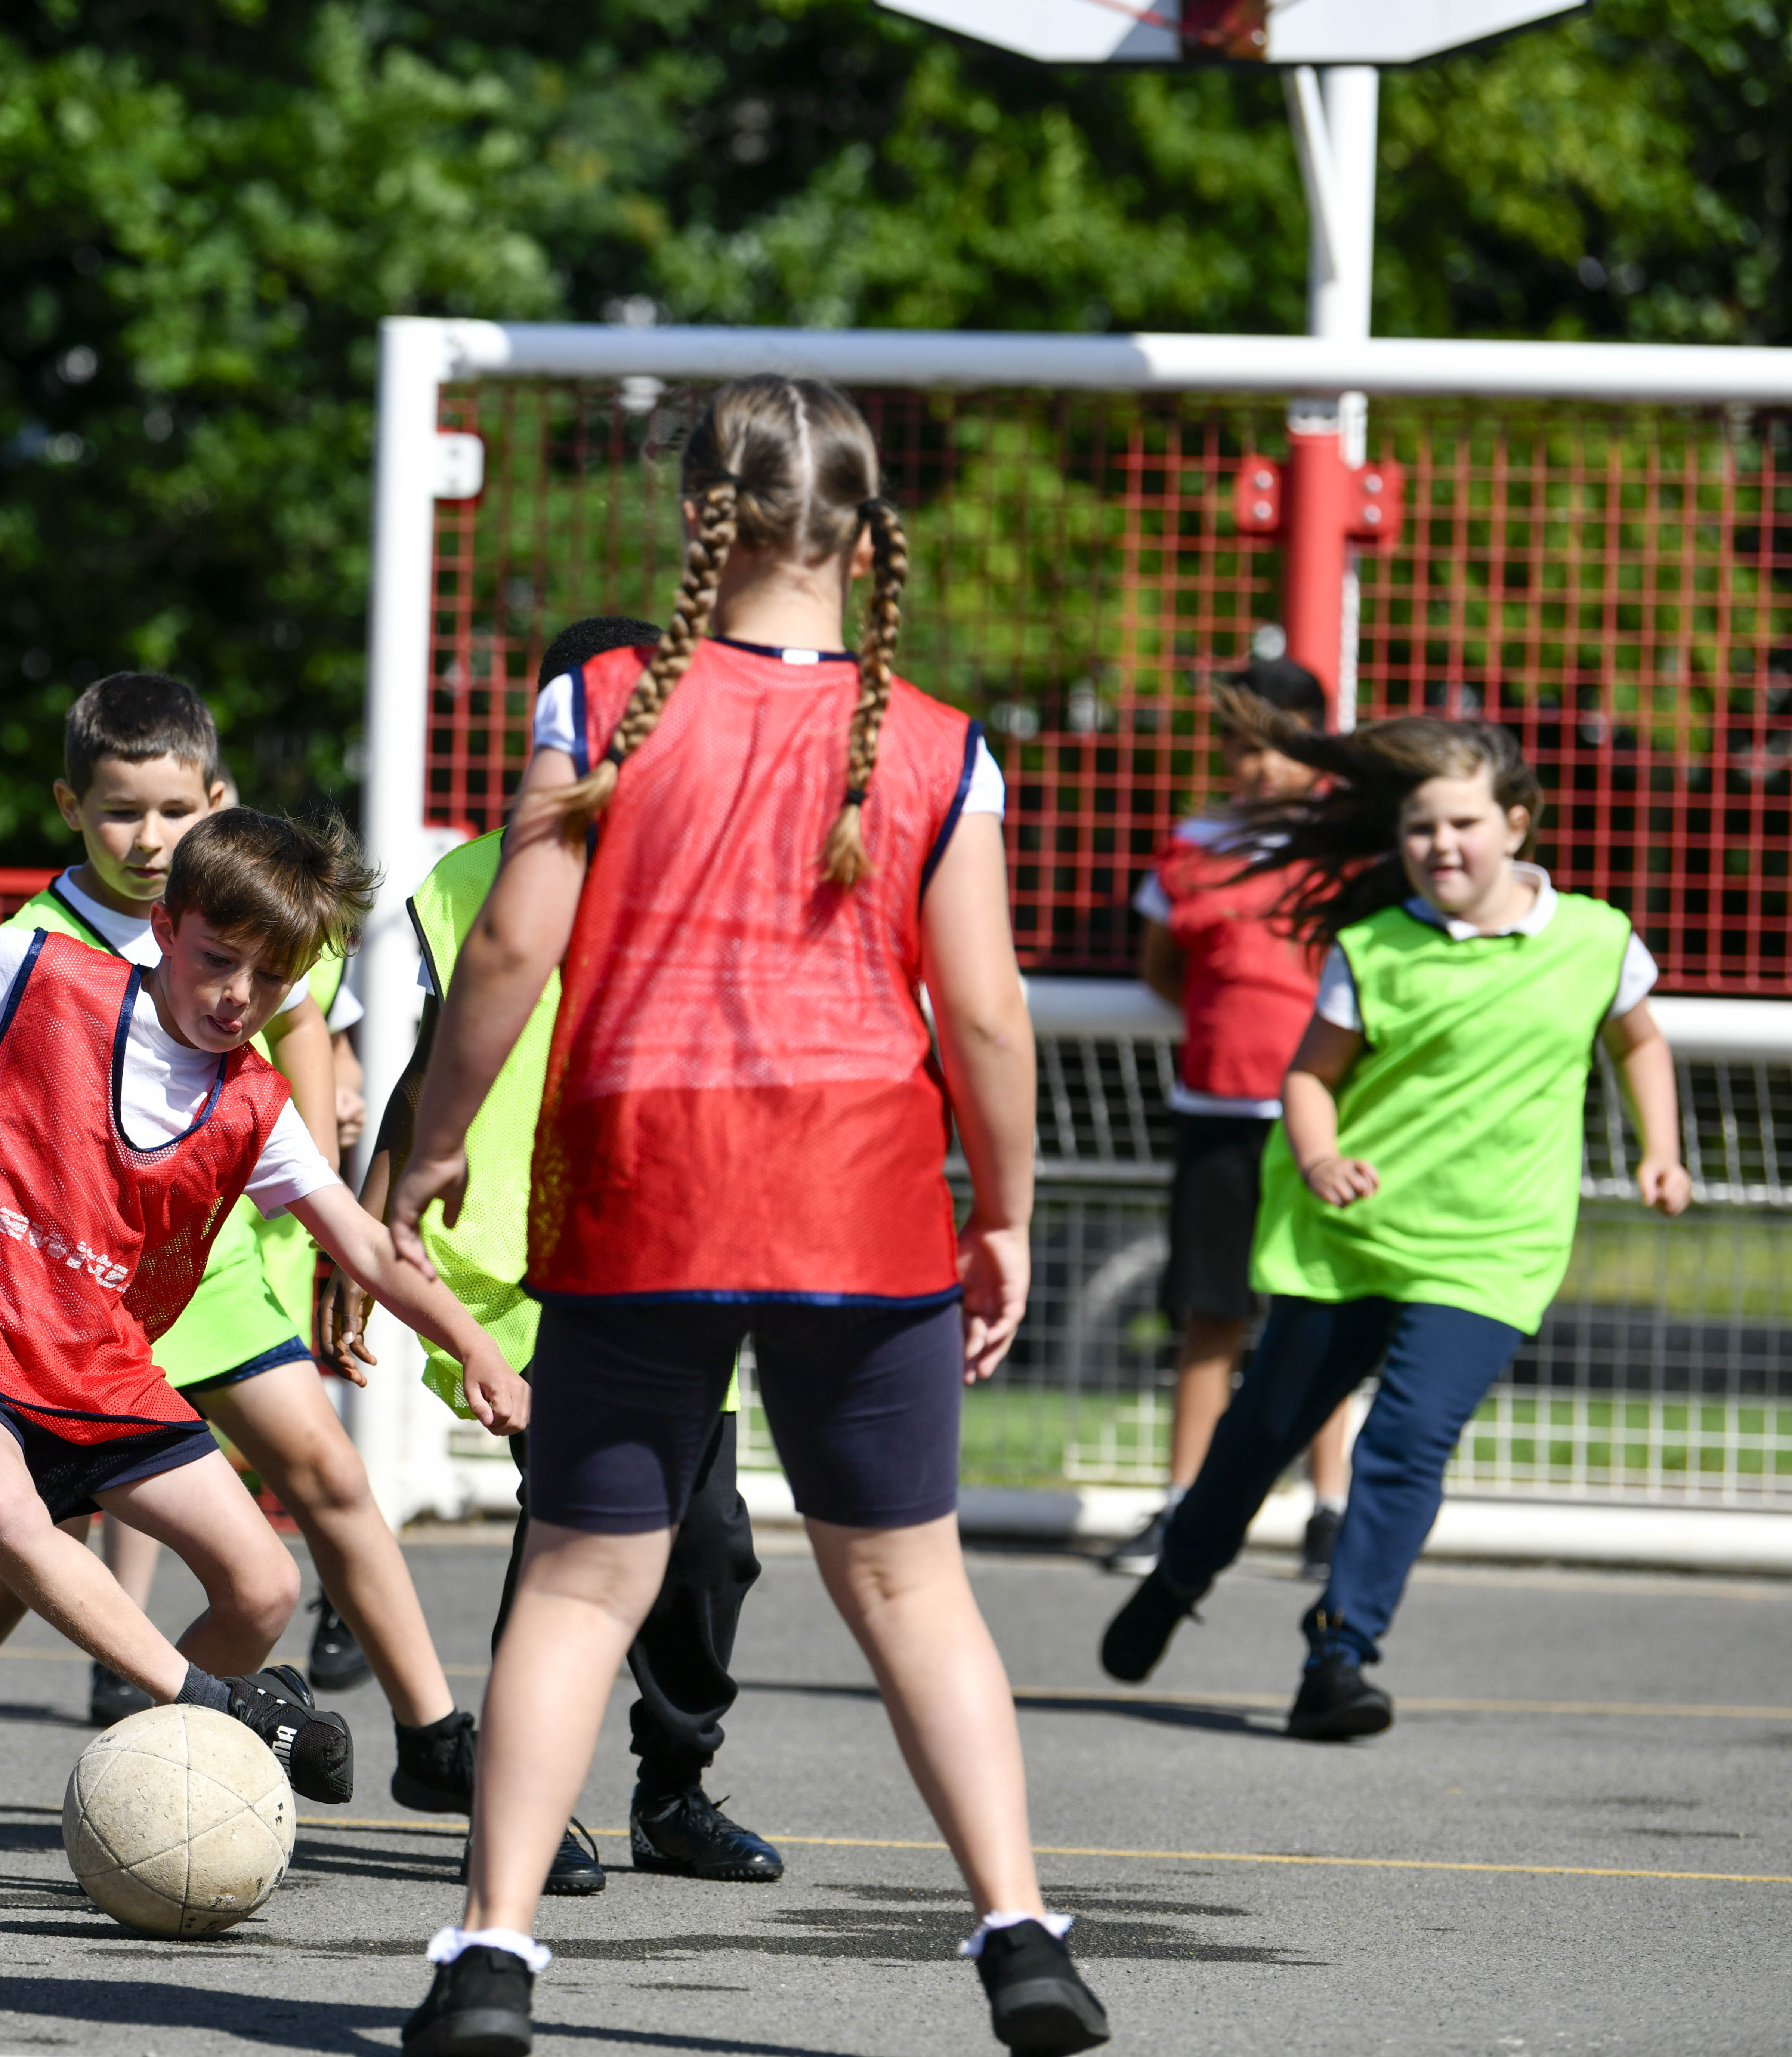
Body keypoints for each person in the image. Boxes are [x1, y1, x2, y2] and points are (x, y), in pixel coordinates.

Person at [386, 376, 1107, 2057]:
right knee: (912, 1587)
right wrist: (1005, 1210)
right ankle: (1018, 1933)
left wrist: (429, 1137)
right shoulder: (941, 739)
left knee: (577, 1583)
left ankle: (493, 1951)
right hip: (861, 1187)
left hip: (648, 1176)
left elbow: (509, 947)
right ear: (863, 532)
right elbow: (988, 1013)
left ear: (693, 511)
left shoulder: (604, 695)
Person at [0, 677, 480, 1828]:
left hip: (159, 1289)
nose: (243, 997)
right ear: (165, 924)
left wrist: (473, 1343)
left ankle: (230, 1768)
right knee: (17, 1507)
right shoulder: (43, 961)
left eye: (174, 811)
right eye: (121, 812)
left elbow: (338, 1176)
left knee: (286, 1549)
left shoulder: (257, 1013)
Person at [1101, 706, 1690, 1739]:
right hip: (1353, 1237)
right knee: (1264, 1433)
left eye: (1462, 824)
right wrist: (1321, 1156)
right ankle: (1181, 1575)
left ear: (1517, 823)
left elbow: (1640, 1043)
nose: (1441, 847)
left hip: (1493, 1250)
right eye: (1420, 828)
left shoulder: (1598, 940)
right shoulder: (1372, 948)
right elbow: (1310, 1081)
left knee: (1408, 1442)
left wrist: (1660, 1148)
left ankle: (1339, 1653)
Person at [336, 616, 785, 1900]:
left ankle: (672, 1788)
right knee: (578, 1534)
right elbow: (420, 1072)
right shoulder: (468, 884)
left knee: (708, 1547)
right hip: (518, 1279)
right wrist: (368, 1241)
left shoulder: (717, 875)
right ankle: (512, 1804)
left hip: (674, 1253)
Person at [1107, 653, 1354, 1582]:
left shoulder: (1354, 844)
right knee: (1210, 1314)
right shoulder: (1195, 842)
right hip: (1215, 1105)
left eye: (1276, 747)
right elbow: (1162, 967)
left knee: (1319, 1311)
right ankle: (1186, 1509)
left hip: (1324, 1119)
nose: (1256, 766)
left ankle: (1329, 1513)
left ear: (1314, 749)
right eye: (1239, 746)